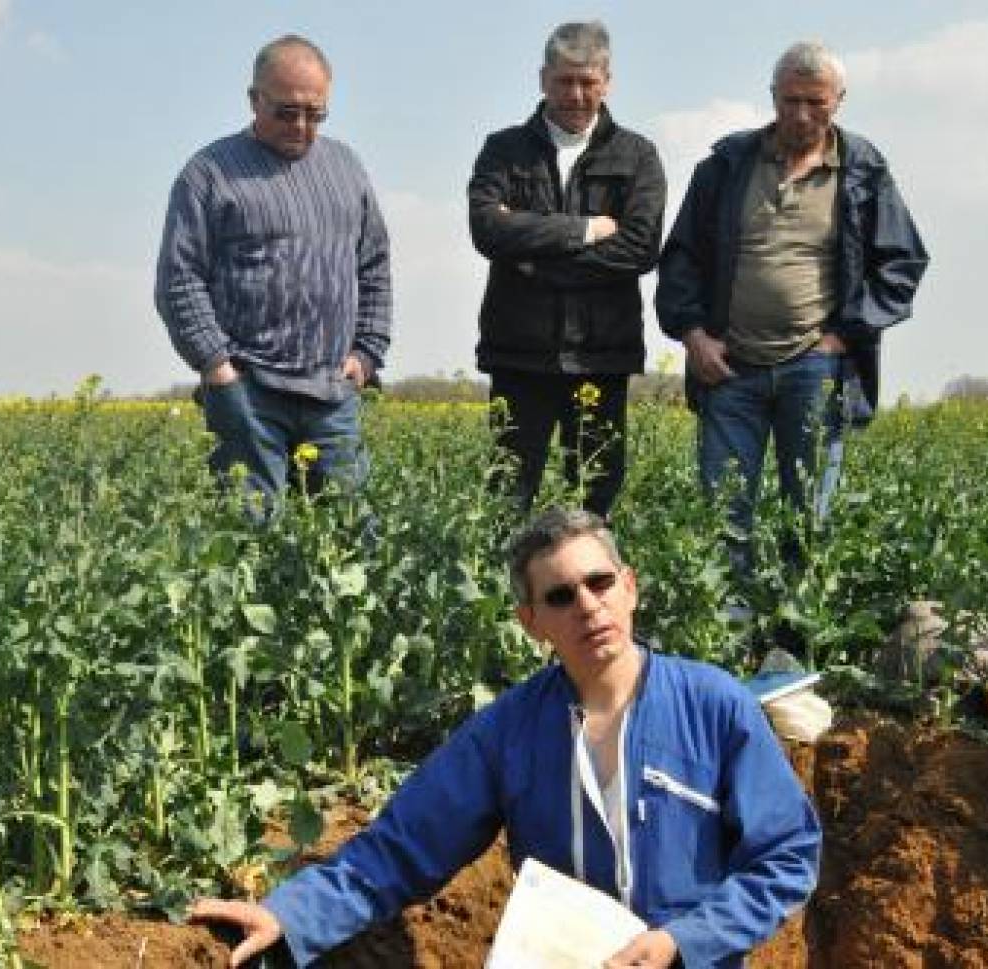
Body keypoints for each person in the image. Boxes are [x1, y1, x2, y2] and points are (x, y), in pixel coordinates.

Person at [190, 507, 821, 968]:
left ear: (629, 587)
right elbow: (402, 847)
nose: (589, 606)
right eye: (561, 595)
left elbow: (788, 855)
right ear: (532, 623)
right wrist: (289, 913)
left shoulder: (715, 707)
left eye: (600, 583)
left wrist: (686, 941)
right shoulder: (508, 733)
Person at [656, 40, 927, 571]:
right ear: (772, 96)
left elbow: (902, 264)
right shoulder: (726, 165)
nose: (800, 114)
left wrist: (843, 336)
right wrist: (693, 336)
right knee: (724, 517)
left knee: (809, 519)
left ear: (838, 101)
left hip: (815, 369)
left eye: (815, 102)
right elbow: (682, 257)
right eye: (789, 101)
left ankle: (793, 641)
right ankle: (728, 641)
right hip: (728, 369)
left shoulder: (863, 170)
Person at [155, 35, 392, 502]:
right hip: (249, 392)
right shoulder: (209, 173)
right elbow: (179, 279)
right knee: (250, 539)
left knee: (348, 547)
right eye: (286, 111)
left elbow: (375, 265)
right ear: (253, 99)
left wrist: (366, 353)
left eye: (315, 113)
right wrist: (217, 366)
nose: (301, 124)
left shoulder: (346, 167)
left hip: (332, 393)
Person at [468, 21, 665, 518]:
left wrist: (532, 259)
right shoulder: (503, 150)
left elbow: (639, 249)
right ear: (542, 79)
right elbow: (489, 232)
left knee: (595, 497)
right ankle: (507, 593)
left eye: (588, 82)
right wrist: (583, 231)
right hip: (520, 356)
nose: (575, 95)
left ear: (607, 82)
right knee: (506, 499)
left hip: (602, 356)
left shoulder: (637, 155)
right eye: (564, 82)